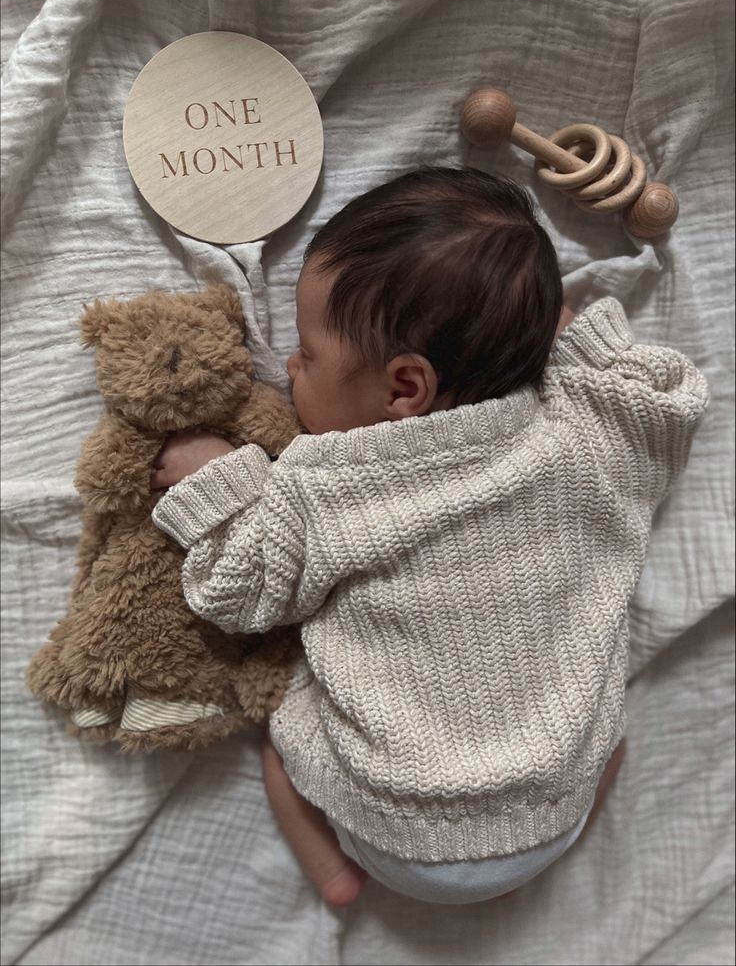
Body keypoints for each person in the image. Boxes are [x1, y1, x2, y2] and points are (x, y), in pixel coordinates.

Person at [150, 166, 708, 907]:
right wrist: (570, 337)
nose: (287, 367)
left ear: (404, 388)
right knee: (608, 736)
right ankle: (559, 824)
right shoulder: (580, 440)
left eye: (308, 355)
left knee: (282, 743)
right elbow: (659, 405)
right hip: (554, 808)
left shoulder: (329, 484)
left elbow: (239, 591)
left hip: (395, 834)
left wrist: (215, 478)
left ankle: (333, 873)